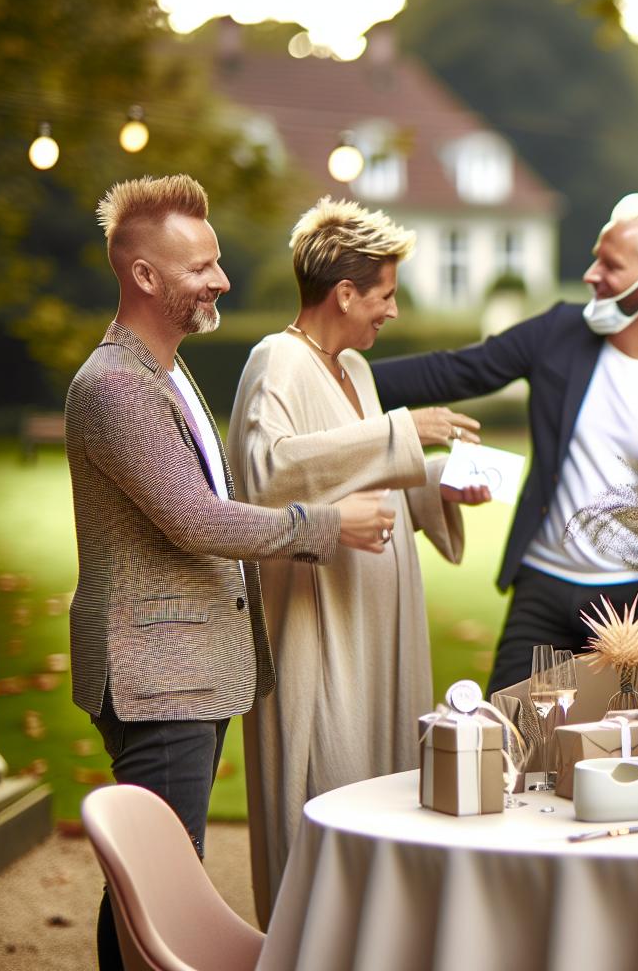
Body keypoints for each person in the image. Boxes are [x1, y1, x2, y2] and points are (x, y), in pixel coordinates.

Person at [65, 175, 391, 967]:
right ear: (144, 276)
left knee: (153, 880)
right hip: (157, 673)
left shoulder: (166, 372)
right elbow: (195, 519)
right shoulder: (117, 386)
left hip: (185, 668)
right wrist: (325, 525)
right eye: (202, 267)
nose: (222, 280)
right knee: (156, 890)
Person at [227, 197, 492, 924]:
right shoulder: (275, 360)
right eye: (386, 294)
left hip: (381, 627)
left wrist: (437, 483)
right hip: (322, 631)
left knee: (387, 788)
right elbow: (268, 470)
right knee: (330, 783)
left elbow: (363, 479)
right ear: (345, 293)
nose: (393, 311)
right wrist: (401, 434)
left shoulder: (355, 372)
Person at [372, 193, 638, 691]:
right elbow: (457, 370)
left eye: (610, 265)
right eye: (596, 257)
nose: (591, 273)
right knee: (508, 733)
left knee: (631, 751)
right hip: (541, 587)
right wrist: (334, 374)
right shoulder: (559, 331)